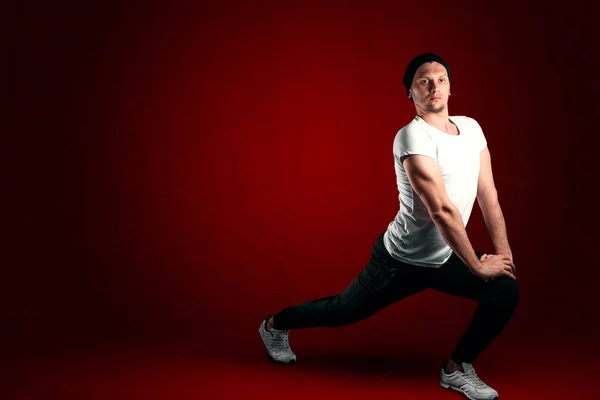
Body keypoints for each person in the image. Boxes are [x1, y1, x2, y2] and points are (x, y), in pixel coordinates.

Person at [258, 53, 519, 400]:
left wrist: (503, 254)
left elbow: (488, 193)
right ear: (410, 92)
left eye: (441, 79)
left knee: (505, 290)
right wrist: (475, 264)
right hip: (401, 260)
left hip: (446, 254)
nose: (434, 87)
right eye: (423, 81)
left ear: (451, 87)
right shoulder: (412, 137)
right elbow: (441, 210)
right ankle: (274, 325)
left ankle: (457, 368)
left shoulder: (471, 128)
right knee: (342, 312)